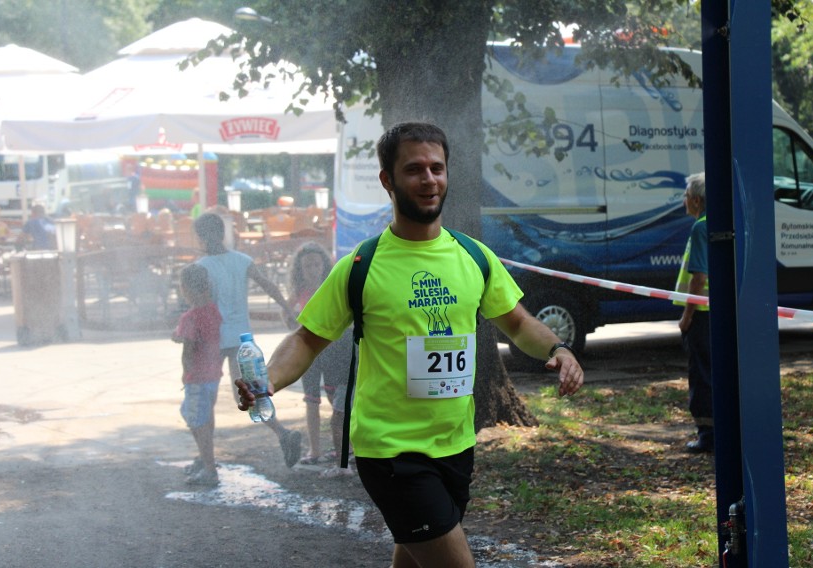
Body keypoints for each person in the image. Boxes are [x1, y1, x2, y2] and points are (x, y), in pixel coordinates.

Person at [236, 122, 584, 567]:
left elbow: (517, 323)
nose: (429, 179)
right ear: (388, 180)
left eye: (437, 168)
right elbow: (307, 339)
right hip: (391, 451)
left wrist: (559, 349)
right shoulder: (360, 266)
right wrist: (267, 381)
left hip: (456, 445)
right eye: (414, 169)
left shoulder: (474, 257)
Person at [193, 213, 303, 468]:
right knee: (251, 393)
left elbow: (199, 303)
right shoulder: (242, 260)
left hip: (214, 338)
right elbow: (268, 285)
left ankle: (205, 456)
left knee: (205, 395)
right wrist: (288, 310)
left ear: (202, 236)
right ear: (223, 233)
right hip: (243, 338)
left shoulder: (202, 266)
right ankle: (282, 433)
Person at [287, 242, 354, 475]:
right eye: (307, 266)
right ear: (300, 269)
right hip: (310, 350)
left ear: (324, 265)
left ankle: (346, 446)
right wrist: (294, 323)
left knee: (337, 398)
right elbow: (287, 311)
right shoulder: (300, 291)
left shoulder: (332, 286)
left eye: (316, 264)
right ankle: (315, 450)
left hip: (334, 349)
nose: (313, 269)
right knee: (311, 398)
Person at [172, 263, 222, 487]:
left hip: (197, 377)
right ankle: (206, 460)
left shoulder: (189, 317)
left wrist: (187, 372)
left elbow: (189, 348)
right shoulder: (213, 310)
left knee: (196, 421)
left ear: (186, 289)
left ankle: (209, 468)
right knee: (206, 417)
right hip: (213, 374)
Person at [675, 172, 714, 453]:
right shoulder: (714, 223)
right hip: (715, 313)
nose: (683, 200)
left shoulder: (701, 227)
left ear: (697, 201)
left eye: (686, 196)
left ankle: (707, 435)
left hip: (701, 315)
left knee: (701, 375)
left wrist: (686, 317)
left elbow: (698, 278)